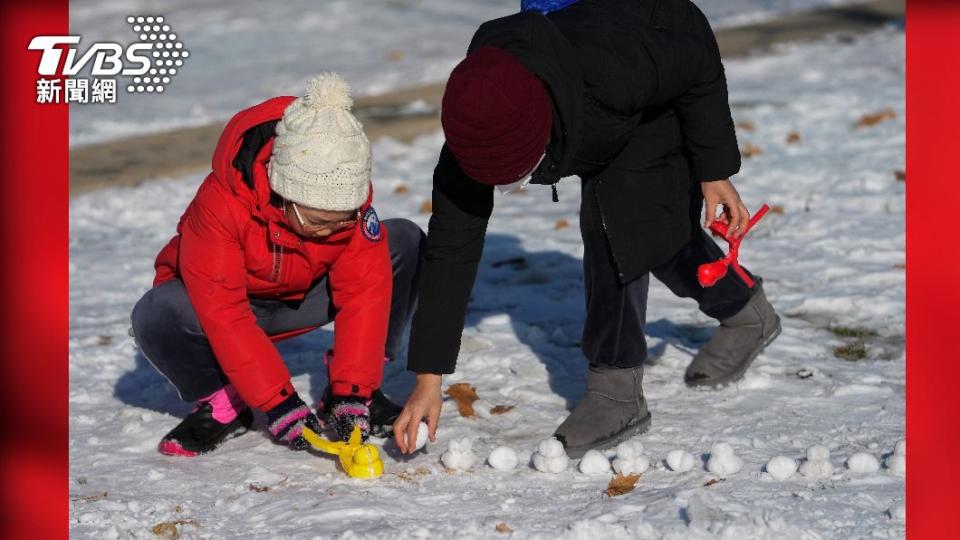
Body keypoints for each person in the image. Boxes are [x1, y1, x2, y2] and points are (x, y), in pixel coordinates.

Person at [393, 0, 780, 458]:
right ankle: (744, 308)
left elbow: (693, 56)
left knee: (620, 226)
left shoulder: (611, 68)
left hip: (658, 63)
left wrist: (714, 170)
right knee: (652, 229)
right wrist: (427, 379)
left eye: (518, 176)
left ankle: (616, 392)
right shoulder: (479, 109)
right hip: (590, 98)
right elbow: (451, 248)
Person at [130, 74, 425, 457]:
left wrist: (352, 389)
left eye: (343, 219)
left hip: (305, 297)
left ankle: (354, 398)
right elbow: (224, 311)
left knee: (402, 240)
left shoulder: (347, 206)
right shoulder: (221, 203)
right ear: (285, 194)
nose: (332, 230)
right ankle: (226, 404)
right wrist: (278, 401)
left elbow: (365, 294)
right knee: (157, 310)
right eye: (319, 221)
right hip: (227, 308)